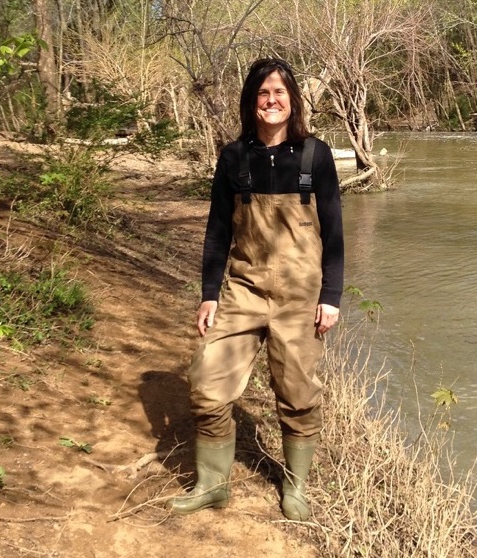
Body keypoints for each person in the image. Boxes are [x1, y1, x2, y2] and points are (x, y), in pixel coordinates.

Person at [169, 58, 344, 521]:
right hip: (242, 290)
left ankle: (297, 485)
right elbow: (217, 231)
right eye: (263, 93)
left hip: (300, 297)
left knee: (298, 394)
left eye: (280, 93)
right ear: (251, 101)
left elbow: (335, 233)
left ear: (293, 101)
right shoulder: (234, 157)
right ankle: (212, 485)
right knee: (206, 383)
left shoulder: (315, 155)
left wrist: (331, 297)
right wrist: (209, 293)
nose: (271, 101)